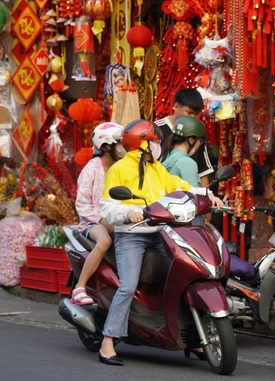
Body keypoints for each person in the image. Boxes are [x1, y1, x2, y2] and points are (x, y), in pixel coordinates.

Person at [96, 119, 225, 366]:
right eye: (153, 141)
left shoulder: (157, 169)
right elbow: (108, 205)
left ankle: (191, 336)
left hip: (160, 232)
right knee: (128, 285)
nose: (157, 145)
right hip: (131, 234)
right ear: (142, 144)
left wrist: (208, 196)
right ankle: (108, 341)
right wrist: (127, 213)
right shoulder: (120, 169)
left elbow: (181, 187)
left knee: (185, 274)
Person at [72, 122, 126, 305]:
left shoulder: (122, 168)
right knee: (105, 241)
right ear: (106, 146)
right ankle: (79, 287)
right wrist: (103, 221)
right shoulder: (91, 169)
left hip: (118, 219)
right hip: (93, 222)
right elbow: (82, 205)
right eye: (119, 143)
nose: (123, 147)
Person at [153, 88, 214, 189]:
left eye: (196, 114)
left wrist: (206, 196)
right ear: (176, 107)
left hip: (188, 196)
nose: (193, 117)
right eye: (189, 112)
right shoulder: (156, 129)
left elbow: (203, 171)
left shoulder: (197, 131)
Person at [159, 116, 206, 188]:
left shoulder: (164, 157)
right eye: (200, 141)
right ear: (191, 140)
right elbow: (193, 195)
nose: (199, 144)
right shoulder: (187, 163)